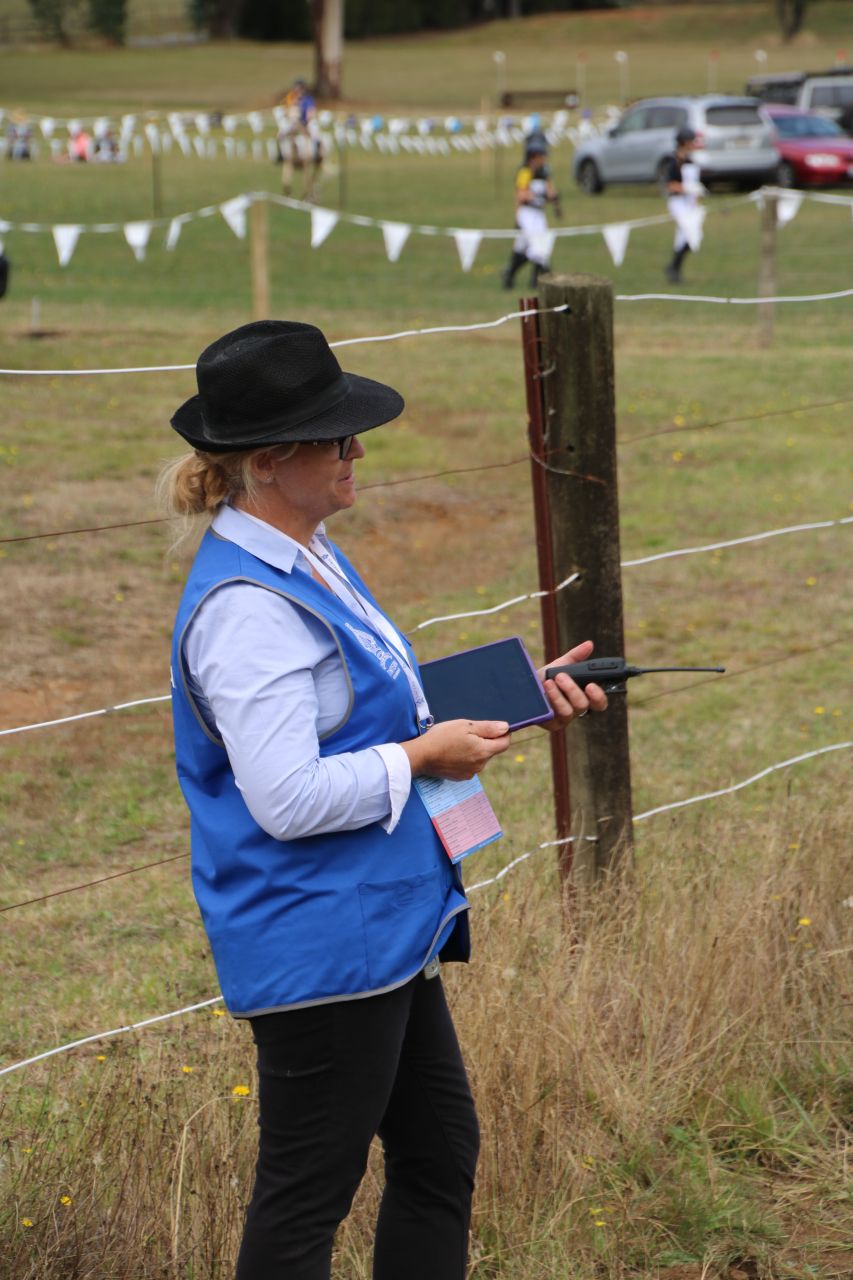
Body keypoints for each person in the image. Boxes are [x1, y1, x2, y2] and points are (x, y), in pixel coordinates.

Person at [159, 319, 608, 1280]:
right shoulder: (247, 612)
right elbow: (286, 799)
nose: (357, 451)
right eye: (337, 436)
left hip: (380, 925)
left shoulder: (306, 554)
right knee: (304, 1202)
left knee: (438, 1153)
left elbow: (370, 712)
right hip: (323, 941)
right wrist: (422, 756)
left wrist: (518, 699)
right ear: (268, 461)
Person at [501, 143, 562, 291]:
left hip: (539, 214)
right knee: (537, 248)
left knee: (523, 247)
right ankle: (537, 279)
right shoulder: (525, 172)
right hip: (527, 213)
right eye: (542, 157)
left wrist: (555, 202)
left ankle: (510, 273)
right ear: (533, 157)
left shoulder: (544, 172)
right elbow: (521, 195)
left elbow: (550, 190)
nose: (544, 159)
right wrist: (519, 215)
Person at [664, 126, 705, 284]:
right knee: (689, 233)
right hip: (677, 202)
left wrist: (697, 194)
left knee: (685, 237)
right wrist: (686, 188)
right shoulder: (673, 162)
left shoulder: (690, 161)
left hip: (690, 203)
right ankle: (674, 267)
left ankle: (674, 268)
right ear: (684, 142)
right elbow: (670, 185)